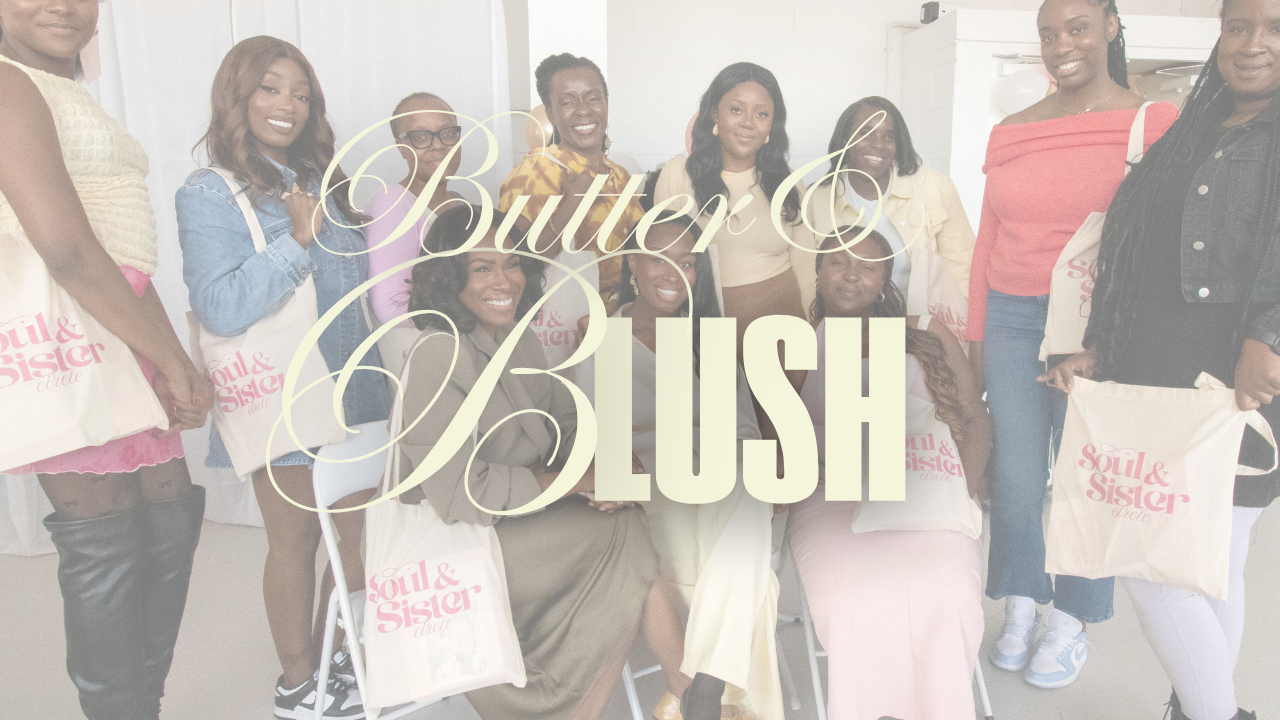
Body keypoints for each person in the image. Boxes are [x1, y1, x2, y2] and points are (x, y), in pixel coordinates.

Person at [1043, 0, 1280, 716]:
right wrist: (1101, 345)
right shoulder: (1198, 124)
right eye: (1237, 26)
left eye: (1273, 28)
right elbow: (1136, 248)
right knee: (1208, 563)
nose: (1252, 44)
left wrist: (1268, 334)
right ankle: (1203, 706)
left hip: (1233, 377)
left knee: (1154, 562)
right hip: (1153, 368)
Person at [0, 2, 212, 717]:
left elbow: (126, 251)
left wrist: (171, 356)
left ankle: (137, 705)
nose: (62, 5)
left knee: (167, 522)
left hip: (124, 318)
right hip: (71, 335)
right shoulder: (5, 82)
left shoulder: (59, 86)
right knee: (107, 548)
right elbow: (64, 249)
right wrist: (168, 358)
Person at [176, 36, 390, 720]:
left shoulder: (320, 179)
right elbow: (221, 304)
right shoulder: (209, 192)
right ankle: (298, 682)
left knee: (356, 538)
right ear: (237, 93)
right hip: (286, 389)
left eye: (301, 94)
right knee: (296, 540)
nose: (288, 105)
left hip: (356, 383)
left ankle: (339, 658)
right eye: (271, 87)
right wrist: (294, 244)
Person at [966, 0, 1178, 688]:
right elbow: (988, 243)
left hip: (1096, 324)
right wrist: (976, 338)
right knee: (1020, 479)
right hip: (1010, 314)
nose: (1062, 44)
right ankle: (1025, 600)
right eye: (1048, 32)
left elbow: (1158, 249)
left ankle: (1073, 618)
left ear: (1111, 27)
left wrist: (1120, 342)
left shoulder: (1153, 123)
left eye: (1078, 27)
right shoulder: (1011, 131)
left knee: (1088, 478)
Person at [396, 204, 660, 720]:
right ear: (449, 278)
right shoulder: (435, 355)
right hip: (458, 542)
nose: (504, 279)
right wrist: (580, 480)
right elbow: (460, 495)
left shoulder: (519, 340)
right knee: (627, 538)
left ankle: (677, 693)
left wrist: (610, 466)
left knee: (630, 523)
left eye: (512, 263)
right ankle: (681, 691)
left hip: (515, 521)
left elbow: (565, 424)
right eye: (482, 267)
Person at [579, 214, 783, 720]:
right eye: (658, 259)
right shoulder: (599, 335)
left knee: (745, 487)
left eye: (687, 263)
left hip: (714, 489)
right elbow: (590, 436)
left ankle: (700, 693)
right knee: (754, 568)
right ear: (631, 265)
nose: (674, 273)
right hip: (648, 495)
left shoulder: (706, 341)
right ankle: (715, 696)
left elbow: (744, 435)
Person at [786, 229, 991, 720]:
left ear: (884, 282)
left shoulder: (925, 330)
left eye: (869, 267)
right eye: (837, 262)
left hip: (929, 488)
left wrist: (961, 487)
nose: (852, 275)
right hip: (832, 498)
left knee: (949, 593)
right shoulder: (794, 341)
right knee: (850, 602)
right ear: (817, 272)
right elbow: (773, 436)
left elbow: (975, 414)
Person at [653, 62, 816, 440]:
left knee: (779, 450)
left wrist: (811, 339)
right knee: (717, 450)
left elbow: (807, 266)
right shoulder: (680, 174)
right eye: (736, 109)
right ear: (714, 113)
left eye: (762, 114)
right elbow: (662, 264)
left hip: (781, 330)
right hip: (706, 330)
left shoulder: (789, 183)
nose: (748, 123)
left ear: (772, 127)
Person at [498, 52, 644, 367]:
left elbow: (637, 255)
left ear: (606, 102)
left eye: (594, 98)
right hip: (561, 332)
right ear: (550, 111)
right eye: (567, 102)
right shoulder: (537, 170)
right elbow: (516, 261)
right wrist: (573, 202)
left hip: (617, 330)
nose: (584, 110)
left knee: (616, 414)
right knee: (569, 414)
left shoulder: (620, 175)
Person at [806, 96, 976, 340]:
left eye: (889, 136)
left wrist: (966, 338)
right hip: (844, 335)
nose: (879, 145)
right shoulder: (817, 199)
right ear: (845, 139)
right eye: (866, 133)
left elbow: (964, 269)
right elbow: (811, 280)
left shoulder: (932, 186)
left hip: (922, 332)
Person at [365, 92, 465, 376]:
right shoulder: (392, 202)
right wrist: (478, 308)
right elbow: (391, 305)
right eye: (421, 137)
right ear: (401, 146)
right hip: (425, 364)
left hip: (463, 356)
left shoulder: (461, 204)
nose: (438, 146)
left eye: (447, 133)